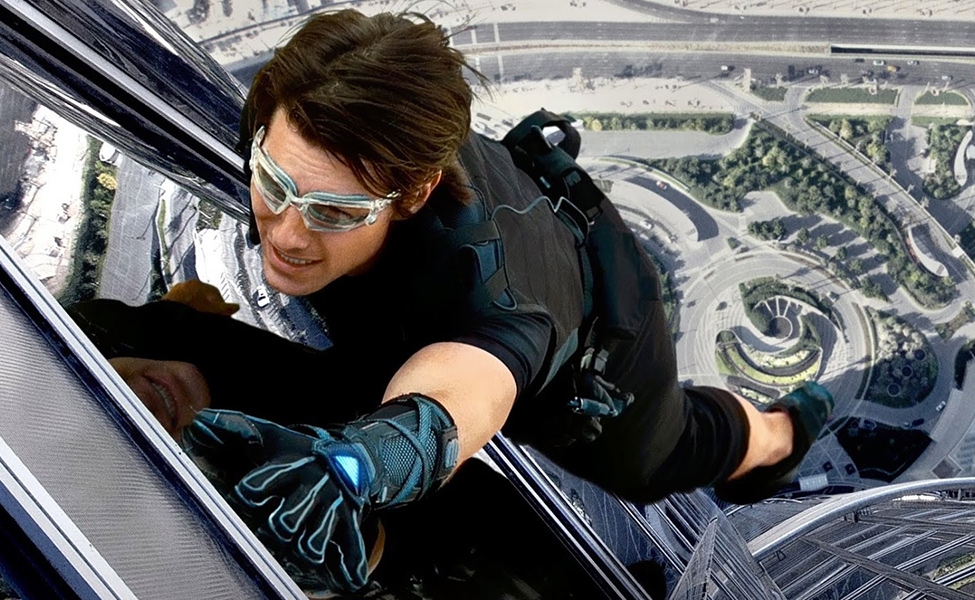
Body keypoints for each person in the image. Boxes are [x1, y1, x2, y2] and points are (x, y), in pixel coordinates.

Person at [71, 8, 834, 594]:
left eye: (333, 211)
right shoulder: (323, 143)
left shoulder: (487, 295)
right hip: (466, 271)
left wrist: (353, 469)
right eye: (273, 183)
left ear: (411, 195)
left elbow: (457, 396)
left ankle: (782, 432)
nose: (288, 234)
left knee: (663, 457)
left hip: (597, 341)